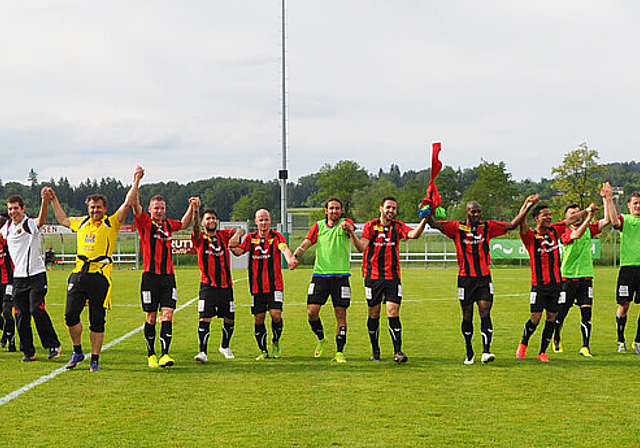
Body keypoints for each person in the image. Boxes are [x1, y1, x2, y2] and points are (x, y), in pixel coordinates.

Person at [427, 195, 538, 364]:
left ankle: (486, 351)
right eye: (473, 211)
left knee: (485, 311)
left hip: (484, 278)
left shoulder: (488, 227)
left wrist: (527, 205)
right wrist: (427, 210)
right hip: (465, 279)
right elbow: (434, 224)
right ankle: (469, 351)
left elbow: (512, 225)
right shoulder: (456, 228)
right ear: (466, 212)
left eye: (479, 211)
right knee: (467, 316)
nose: (477, 214)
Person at [48, 169, 139, 372]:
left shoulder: (111, 223)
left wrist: (136, 181)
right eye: (92, 207)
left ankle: (95, 359)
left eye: (98, 207)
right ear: (87, 208)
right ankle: (77, 351)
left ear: (104, 208)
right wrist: (53, 199)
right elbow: (62, 219)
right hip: (79, 273)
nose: (95, 210)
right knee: (70, 315)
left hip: (100, 275)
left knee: (97, 319)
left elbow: (128, 203)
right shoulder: (81, 223)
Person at [344, 196, 428, 363]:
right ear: (381, 208)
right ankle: (375, 351)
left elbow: (413, 235)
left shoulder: (398, 226)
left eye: (394, 208)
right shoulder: (371, 226)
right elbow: (361, 247)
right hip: (372, 277)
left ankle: (398, 352)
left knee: (393, 312)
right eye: (388, 207)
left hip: (392, 278)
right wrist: (351, 232)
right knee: (374, 314)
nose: (391, 211)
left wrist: (425, 219)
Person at [132, 167, 197, 368]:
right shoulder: (144, 223)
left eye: (162, 207)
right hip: (150, 277)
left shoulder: (169, 225)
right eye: (156, 208)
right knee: (151, 316)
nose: (159, 211)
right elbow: (134, 203)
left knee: (167, 315)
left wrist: (193, 207)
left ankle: (165, 354)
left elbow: (185, 224)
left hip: (168, 278)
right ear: (150, 210)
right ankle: (151, 354)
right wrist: (137, 180)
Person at [291, 198, 355, 363]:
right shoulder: (318, 226)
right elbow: (306, 243)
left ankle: (340, 352)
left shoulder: (345, 223)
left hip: (341, 277)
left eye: (337, 208)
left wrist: (349, 228)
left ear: (341, 211)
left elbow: (351, 230)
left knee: (341, 314)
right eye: (331, 208)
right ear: (326, 210)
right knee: (311, 312)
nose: (334, 211)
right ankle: (321, 338)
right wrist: (295, 256)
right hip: (320, 276)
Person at [553, 183, 613, 357]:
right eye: (572, 214)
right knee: (561, 312)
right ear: (567, 218)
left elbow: (607, 220)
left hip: (586, 277)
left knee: (587, 313)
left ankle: (585, 346)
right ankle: (556, 337)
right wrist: (588, 216)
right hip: (568, 278)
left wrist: (605, 198)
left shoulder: (589, 229)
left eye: (578, 213)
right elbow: (576, 234)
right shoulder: (564, 232)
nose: (576, 216)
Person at [1, 193, 62, 362]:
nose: (13, 212)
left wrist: (44, 200)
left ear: (23, 208)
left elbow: (41, 219)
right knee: (21, 315)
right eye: (10, 209)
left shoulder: (29, 224)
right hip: (18, 279)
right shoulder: (7, 228)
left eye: (16, 208)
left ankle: (52, 345)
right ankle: (28, 351)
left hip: (36, 275)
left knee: (36, 309)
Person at [230, 209, 296, 360]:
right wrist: (233, 244)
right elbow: (240, 251)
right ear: (256, 222)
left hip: (275, 286)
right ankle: (263, 350)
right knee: (259, 318)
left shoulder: (276, 237)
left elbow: (283, 248)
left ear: (270, 220)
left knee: (276, 315)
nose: (264, 223)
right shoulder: (251, 238)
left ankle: (275, 341)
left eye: (266, 219)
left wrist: (290, 258)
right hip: (256, 287)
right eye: (261, 220)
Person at [516, 200, 570, 362]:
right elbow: (521, 221)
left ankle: (542, 352)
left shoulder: (554, 231)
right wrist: (526, 205)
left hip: (556, 285)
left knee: (552, 317)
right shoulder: (531, 237)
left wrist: (588, 211)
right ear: (536, 219)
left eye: (550, 214)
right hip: (539, 286)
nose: (549, 217)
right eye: (545, 215)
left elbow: (570, 220)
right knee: (535, 318)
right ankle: (523, 344)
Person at [191, 203, 244, 363]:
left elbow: (240, 230)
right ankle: (202, 352)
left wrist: (236, 236)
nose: (211, 221)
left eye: (213, 218)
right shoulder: (199, 238)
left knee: (229, 318)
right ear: (203, 222)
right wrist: (195, 211)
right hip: (208, 286)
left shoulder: (223, 235)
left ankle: (225, 346)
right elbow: (194, 228)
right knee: (204, 319)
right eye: (207, 218)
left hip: (226, 286)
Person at [611, 191, 640, 353]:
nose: (638, 206)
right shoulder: (625, 219)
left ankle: (638, 341)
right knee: (624, 305)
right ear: (629, 205)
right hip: (628, 269)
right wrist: (608, 199)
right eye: (635, 203)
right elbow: (615, 222)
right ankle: (621, 340)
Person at [0, 212, 16, 352]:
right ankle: (7, 331)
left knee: (7, 310)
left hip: (9, 281)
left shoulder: (8, 242)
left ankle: (10, 338)